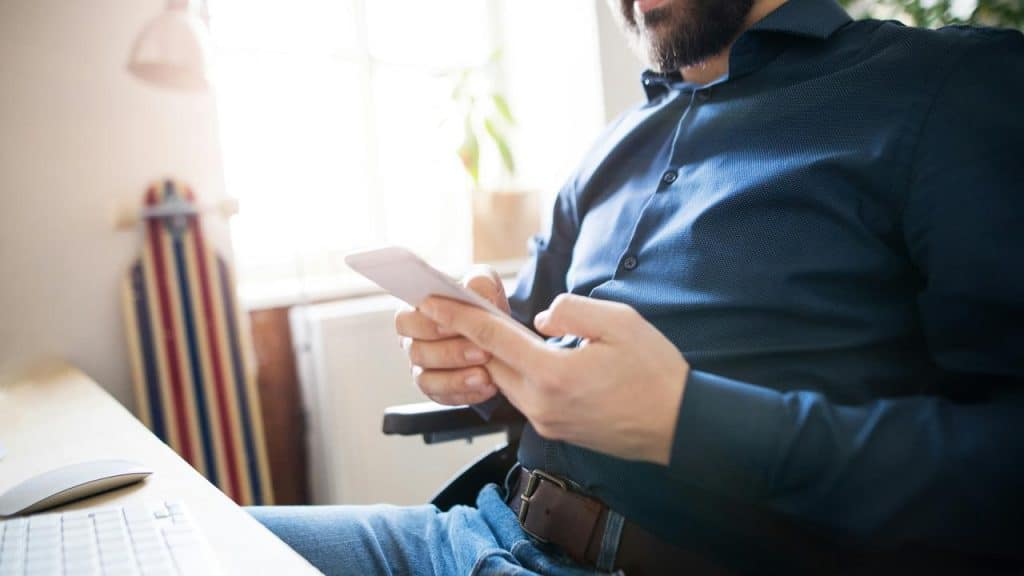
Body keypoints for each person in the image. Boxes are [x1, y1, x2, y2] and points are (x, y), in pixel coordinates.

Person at [249, 0, 1024, 573]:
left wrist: (688, 421)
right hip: (468, 534)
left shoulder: (952, 89)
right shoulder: (614, 147)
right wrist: (478, 357)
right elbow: (530, 341)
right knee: (157, 543)